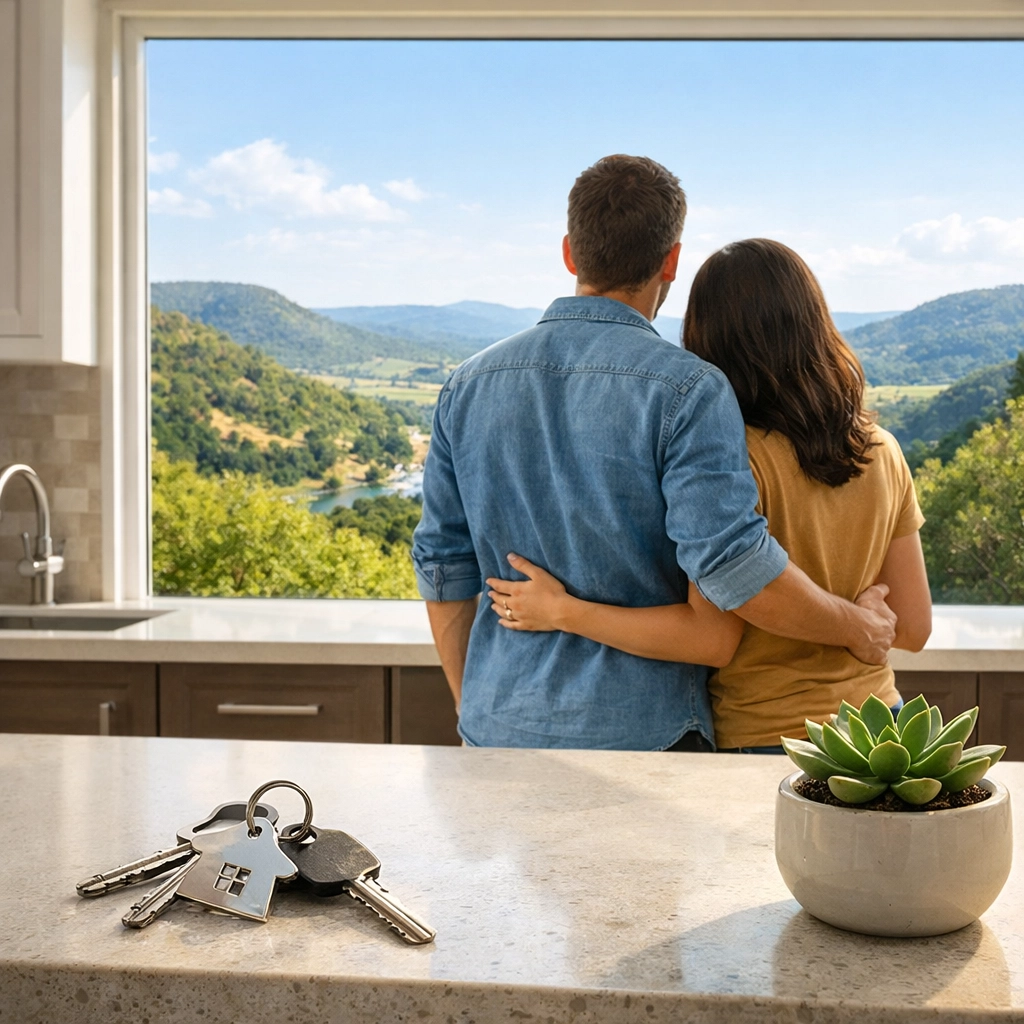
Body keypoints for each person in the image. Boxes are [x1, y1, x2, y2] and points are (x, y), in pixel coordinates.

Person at [412, 155, 896, 751]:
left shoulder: (466, 384)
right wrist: (857, 626)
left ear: (570, 252)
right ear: (671, 261)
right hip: (648, 737)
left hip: (497, 728)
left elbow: (443, 565)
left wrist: (471, 703)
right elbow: (734, 570)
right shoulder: (688, 389)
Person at [485, 238, 931, 751]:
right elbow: (913, 628)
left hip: (770, 736)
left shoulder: (727, 458)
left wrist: (564, 611)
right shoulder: (881, 449)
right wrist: (863, 620)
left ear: (705, 335)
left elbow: (709, 636)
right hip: (882, 727)